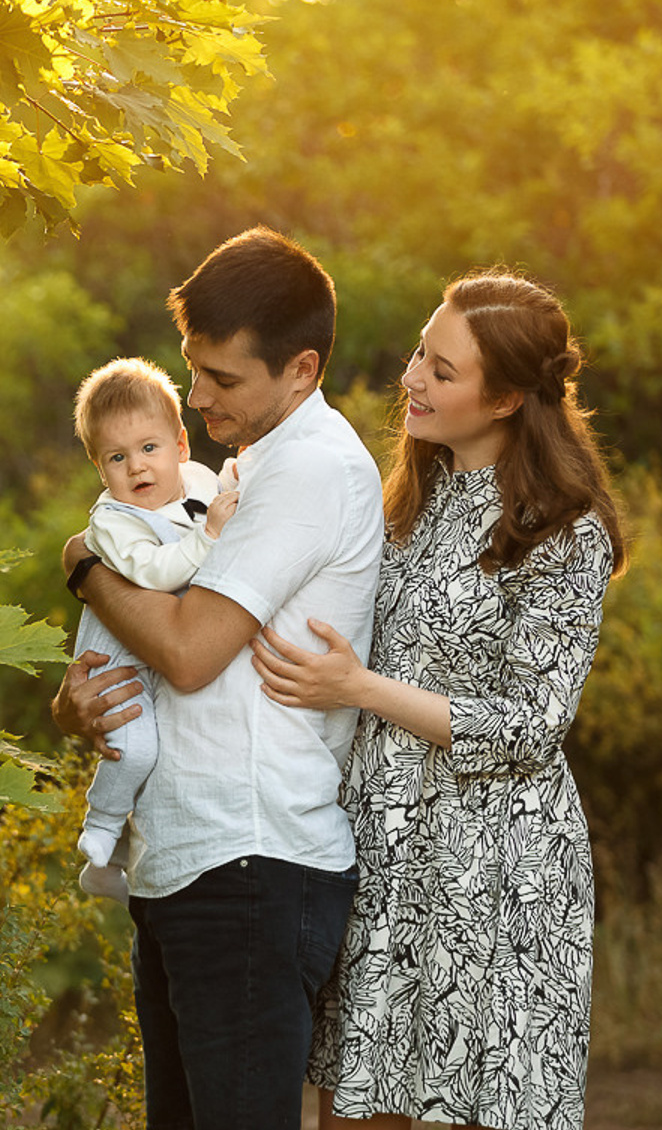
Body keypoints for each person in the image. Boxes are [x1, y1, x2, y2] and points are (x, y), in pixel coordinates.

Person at [249, 269, 627, 1130]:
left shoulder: (565, 531)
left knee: (475, 1107)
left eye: (442, 370)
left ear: (504, 401)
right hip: (382, 847)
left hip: (497, 871)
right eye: (421, 352)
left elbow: (532, 725)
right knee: (355, 1104)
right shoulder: (403, 500)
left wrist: (361, 687)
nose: (412, 378)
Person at [52, 225, 385, 1130]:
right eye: (193, 370)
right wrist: (81, 697)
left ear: (302, 371)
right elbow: (153, 647)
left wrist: (83, 563)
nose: (195, 398)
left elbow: (192, 653)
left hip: (252, 862)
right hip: (187, 860)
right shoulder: (237, 469)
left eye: (224, 380)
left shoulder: (312, 470)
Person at [69, 356, 240, 905]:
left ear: (181, 446)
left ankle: (116, 856)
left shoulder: (193, 482)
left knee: (157, 750)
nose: (138, 468)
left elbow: (220, 492)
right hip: (115, 658)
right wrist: (209, 538)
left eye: (149, 448)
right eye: (117, 458)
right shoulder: (113, 521)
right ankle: (98, 834)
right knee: (135, 750)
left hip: (152, 647)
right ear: (101, 470)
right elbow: (153, 572)